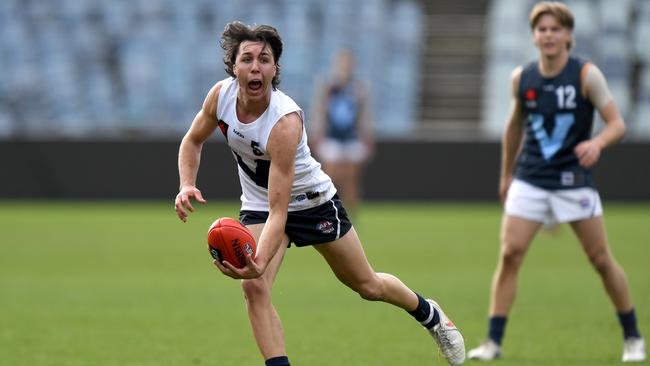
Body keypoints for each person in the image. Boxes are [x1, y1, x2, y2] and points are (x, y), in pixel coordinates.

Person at [174, 21, 465, 366]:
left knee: (367, 285)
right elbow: (192, 140)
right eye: (247, 58)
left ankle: (430, 314)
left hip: (311, 203)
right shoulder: (220, 96)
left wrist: (259, 262)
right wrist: (187, 183)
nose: (255, 66)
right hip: (259, 204)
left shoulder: (284, 122)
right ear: (233, 66)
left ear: (275, 68)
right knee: (254, 288)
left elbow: (281, 212)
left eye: (264, 59)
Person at [467, 2, 645, 363]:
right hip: (531, 179)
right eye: (542, 30)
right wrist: (506, 175)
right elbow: (513, 127)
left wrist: (597, 142)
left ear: (568, 36)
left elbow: (617, 124)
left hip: (573, 181)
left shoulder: (586, 75)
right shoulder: (523, 78)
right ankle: (493, 342)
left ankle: (632, 336)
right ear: (534, 36)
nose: (548, 35)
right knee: (510, 254)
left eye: (555, 29)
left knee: (599, 259)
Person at [308, 48, 374, 219]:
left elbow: (364, 115)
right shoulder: (328, 86)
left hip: (351, 138)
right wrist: (317, 133)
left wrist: (366, 136)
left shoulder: (359, 86)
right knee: (330, 177)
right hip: (331, 137)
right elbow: (319, 110)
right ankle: (329, 213)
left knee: (351, 179)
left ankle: (350, 218)